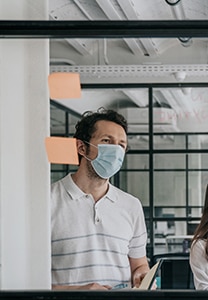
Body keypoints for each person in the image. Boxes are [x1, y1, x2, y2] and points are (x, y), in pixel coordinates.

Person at [51, 108, 151, 290]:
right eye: (107, 141)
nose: (116, 150)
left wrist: (142, 274)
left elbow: (139, 264)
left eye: (121, 145)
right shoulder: (48, 201)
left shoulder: (131, 205)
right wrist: (78, 292)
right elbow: (27, 275)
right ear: (82, 147)